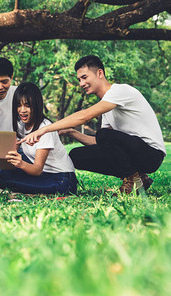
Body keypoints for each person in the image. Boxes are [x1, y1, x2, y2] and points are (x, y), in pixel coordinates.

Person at [21, 55, 166, 194]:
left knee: (103, 134)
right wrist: (72, 132)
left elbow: (85, 116)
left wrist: (44, 129)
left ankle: (133, 179)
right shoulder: (106, 107)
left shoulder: (120, 91)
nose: (81, 83)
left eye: (84, 77)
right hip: (136, 154)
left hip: (151, 155)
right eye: (79, 79)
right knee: (76, 156)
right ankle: (141, 177)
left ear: (100, 73)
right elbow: (102, 143)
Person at [0, 82, 77, 195]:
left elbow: (37, 170)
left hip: (62, 181)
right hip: (44, 176)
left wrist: (20, 164)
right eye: (19, 105)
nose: (22, 110)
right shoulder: (21, 126)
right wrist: (14, 148)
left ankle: (27, 192)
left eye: (27, 105)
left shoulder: (45, 128)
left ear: (36, 105)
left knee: (6, 180)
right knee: (4, 174)